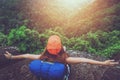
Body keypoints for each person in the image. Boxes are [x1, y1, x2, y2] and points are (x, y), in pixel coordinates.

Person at [4, 35, 119, 80]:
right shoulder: (65, 59)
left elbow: (27, 55)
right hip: (60, 75)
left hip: (45, 72)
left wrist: (11, 57)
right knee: (65, 70)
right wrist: (104, 63)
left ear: (47, 48)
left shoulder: (42, 56)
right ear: (60, 49)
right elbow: (85, 60)